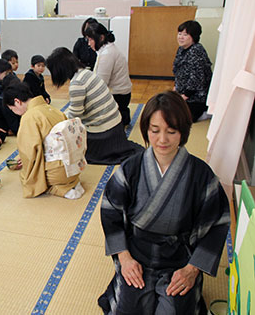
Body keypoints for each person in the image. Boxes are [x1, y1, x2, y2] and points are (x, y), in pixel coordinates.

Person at [98, 91, 230, 314]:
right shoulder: (131, 168)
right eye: (155, 130)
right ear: (146, 130)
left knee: (174, 310)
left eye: (171, 131)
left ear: (183, 132)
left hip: (179, 259)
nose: (162, 140)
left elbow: (216, 223)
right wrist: (125, 257)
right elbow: (111, 210)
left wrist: (192, 269)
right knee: (129, 308)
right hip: (137, 253)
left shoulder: (201, 174)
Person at [46, 47, 143, 165]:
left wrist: (55, 117)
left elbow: (75, 116)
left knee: (66, 143)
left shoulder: (77, 83)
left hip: (104, 134)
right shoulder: (86, 73)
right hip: (116, 127)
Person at [3, 82, 85, 199]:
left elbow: (29, 153)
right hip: (75, 167)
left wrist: (26, 165)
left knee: (25, 177)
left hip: (59, 173)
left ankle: (60, 188)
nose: (13, 112)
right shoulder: (51, 108)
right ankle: (71, 183)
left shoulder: (29, 117)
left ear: (17, 101)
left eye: (12, 109)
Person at [85, 22, 133, 126]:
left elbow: (101, 84)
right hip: (122, 94)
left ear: (101, 38)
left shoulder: (107, 54)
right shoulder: (107, 49)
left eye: (90, 40)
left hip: (118, 96)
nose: (89, 44)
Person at [173, 20, 213, 122]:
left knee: (180, 119)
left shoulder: (196, 51)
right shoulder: (181, 49)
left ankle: (205, 112)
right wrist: (176, 88)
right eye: (179, 33)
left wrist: (185, 96)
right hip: (183, 92)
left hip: (196, 96)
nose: (181, 37)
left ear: (194, 37)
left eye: (185, 35)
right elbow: (178, 70)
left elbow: (197, 78)